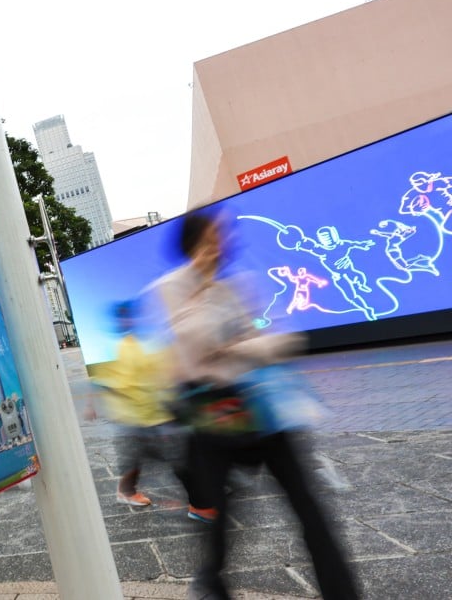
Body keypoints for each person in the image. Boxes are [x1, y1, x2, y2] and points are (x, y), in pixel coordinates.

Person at [152, 208, 360, 600]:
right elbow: (197, 343)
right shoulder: (172, 287)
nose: (222, 245)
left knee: (308, 506)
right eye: (213, 239)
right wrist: (231, 334)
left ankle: (342, 592)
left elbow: (281, 340)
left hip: (263, 410)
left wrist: (237, 347)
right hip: (213, 414)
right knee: (218, 513)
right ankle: (211, 582)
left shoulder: (237, 285)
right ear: (194, 244)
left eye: (223, 237)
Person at [84, 299, 215, 521]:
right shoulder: (116, 347)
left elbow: (162, 371)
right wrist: (92, 404)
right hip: (135, 415)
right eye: (124, 317)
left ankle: (127, 491)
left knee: (144, 457)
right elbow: (100, 380)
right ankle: (199, 505)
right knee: (177, 458)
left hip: (153, 413)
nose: (128, 321)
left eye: (130, 316)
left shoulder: (140, 342)